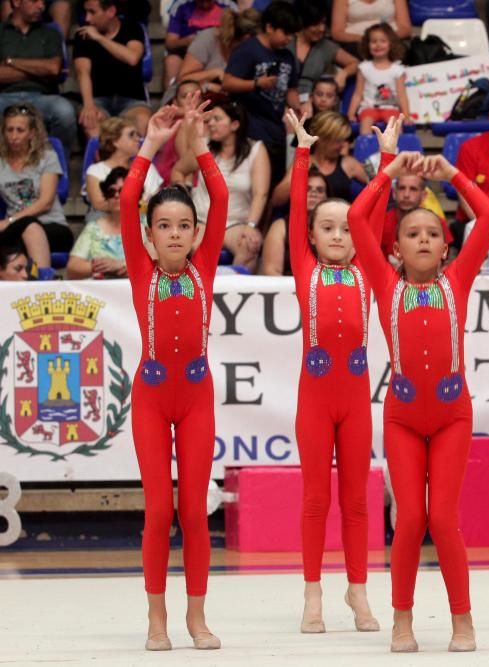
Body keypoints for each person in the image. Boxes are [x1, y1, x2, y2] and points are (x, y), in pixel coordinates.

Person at [347, 148, 489, 654]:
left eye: (433, 234)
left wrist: (452, 173)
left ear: (447, 244)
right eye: (413, 234)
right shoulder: (383, 283)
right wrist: (388, 173)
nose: (424, 240)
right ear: (395, 247)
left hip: (453, 416)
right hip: (404, 419)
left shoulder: (458, 281)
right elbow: (354, 218)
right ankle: (402, 619)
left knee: (444, 519)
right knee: (410, 517)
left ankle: (463, 619)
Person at [122, 103, 228, 652]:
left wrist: (202, 143)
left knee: (193, 508)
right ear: (150, 233)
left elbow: (223, 198)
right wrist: (150, 143)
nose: (174, 234)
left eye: (183, 226)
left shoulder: (204, 266)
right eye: (163, 226)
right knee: (159, 508)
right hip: (152, 397)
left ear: (195, 232)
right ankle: (156, 618)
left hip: (196, 398)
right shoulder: (141, 267)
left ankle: (196, 616)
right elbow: (125, 201)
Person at [285, 109, 392, 636]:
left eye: (343, 228)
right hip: (315, 402)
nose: (335, 235)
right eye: (324, 227)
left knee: (355, 498)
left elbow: (377, 210)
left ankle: (358, 588)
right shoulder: (304, 268)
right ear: (310, 235)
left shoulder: (367, 271)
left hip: (354, 404)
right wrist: (302, 151)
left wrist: (387, 160)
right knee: (315, 498)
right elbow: (298, 201)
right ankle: (311, 594)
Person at [174, 98, 269, 271]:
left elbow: (260, 194)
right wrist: (184, 192)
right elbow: (178, 170)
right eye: (209, 120)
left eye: (217, 119)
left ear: (234, 125)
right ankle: (197, 293)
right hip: (202, 220)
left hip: (235, 223)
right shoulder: (204, 147)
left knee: (250, 244)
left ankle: (233, 292)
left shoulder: (256, 150)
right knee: (190, 245)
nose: (211, 124)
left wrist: (251, 226)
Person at [223, 0, 300, 190]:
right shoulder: (248, 50)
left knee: (272, 184)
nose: (289, 39)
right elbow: (228, 82)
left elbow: (291, 89)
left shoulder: (288, 56)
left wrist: (298, 107)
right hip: (249, 126)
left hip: (275, 128)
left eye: (292, 34)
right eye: (285, 33)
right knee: (253, 184)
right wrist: (257, 83)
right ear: (269, 27)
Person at [0, 0, 77, 150]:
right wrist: (37, 70)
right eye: (35, 1)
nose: (41, 6)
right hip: (4, 96)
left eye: (43, 2)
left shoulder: (51, 33)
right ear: (16, 2)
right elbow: (46, 69)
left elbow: (53, 68)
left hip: (42, 97)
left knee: (64, 111)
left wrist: (10, 61)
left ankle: (56, 166)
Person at [0, 103, 68, 272]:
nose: (14, 136)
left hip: (52, 226)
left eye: (20, 130)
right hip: (14, 231)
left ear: (32, 133)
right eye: (9, 130)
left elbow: (45, 202)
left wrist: (10, 221)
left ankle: (42, 286)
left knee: (29, 226)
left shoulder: (47, 157)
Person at [73, 0, 152, 139]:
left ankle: (139, 161)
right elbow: (83, 73)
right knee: (90, 122)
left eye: (92, 12)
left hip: (131, 100)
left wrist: (99, 38)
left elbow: (132, 58)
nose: (87, 18)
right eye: (86, 12)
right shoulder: (82, 35)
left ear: (110, 11)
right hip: (98, 100)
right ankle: (102, 161)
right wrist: (88, 104)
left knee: (143, 121)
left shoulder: (132, 28)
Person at [271, 110, 368, 206]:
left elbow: (377, 187)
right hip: (307, 218)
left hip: (339, 218)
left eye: (343, 140)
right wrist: (301, 172)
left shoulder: (348, 163)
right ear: (321, 139)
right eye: (337, 140)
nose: (342, 145)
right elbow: (276, 200)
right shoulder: (304, 162)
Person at [86, 116, 163, 223]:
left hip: (145, 223)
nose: (138, 139)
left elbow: (157, 202)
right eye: (131, 135)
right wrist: (138, 206)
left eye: (138, 135)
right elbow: (99, 204)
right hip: (109, 222)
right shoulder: (95, 171)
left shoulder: (148, 167)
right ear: (115, 141)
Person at [172, 7, 259, 99]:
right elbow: (182, 79)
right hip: (188, 100)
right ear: (247, 38)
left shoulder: (252, 52)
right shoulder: (207, 39)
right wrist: (215, 73)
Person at [260, 166, 327, 276]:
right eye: (307, 189)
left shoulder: (337, 229)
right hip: (288, 289)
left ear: (327, 196)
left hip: (327, 288)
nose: (314, 193)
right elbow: (271, 272)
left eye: (320, 190)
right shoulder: (280, 227)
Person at [294, 2, 357, 116]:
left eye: (323, 23)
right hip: (286, 100)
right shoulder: (287, 42)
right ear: (303, 23)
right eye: (316, 24)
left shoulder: (327, 46)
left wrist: (344, 73)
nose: (322, 29)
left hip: (316, 103)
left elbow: (355, 63)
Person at [346, 23, 409, 134]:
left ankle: (395, 149)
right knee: (366, 122)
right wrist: (351, 113)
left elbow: (402, 95)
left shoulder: (397, 69)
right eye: (374, 41)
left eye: (383, 41)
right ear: (367, 45)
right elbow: (357, 94)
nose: (378, 45)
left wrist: (407, 115)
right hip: (369, 108)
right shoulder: (364, 68)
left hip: (391, 108)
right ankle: (366, 150)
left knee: (395, 125)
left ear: (391, 44)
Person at [67, 167, 129, 279]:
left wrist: (119, 265)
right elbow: (72, 268)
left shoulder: (147, 227)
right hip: (98, 292)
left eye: (122, 190)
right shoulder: (94, 227)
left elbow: (157, 265)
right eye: (111, 192)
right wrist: (99, 267)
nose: (116, 195)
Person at [382, 172, 452, 260]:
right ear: (394, 193)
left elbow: (443, 262)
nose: (406, 195)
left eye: (413, 189)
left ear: (424, 195)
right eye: (402, 188)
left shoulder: (437, 223)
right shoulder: (380, 223)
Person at [164, 0, 231, 91]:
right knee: (172, 61)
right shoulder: (181, 6)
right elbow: (170, 43)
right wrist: (186, 41)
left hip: (217, 54)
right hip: (187, 53)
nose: (204, 3)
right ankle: (172, 97)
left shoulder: (228, 6)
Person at [330, 0, 412, 50]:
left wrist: (384, 39)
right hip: (356, 42)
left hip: (390, 39)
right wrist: (366, 39)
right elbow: (337, 33)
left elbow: (405, 28)